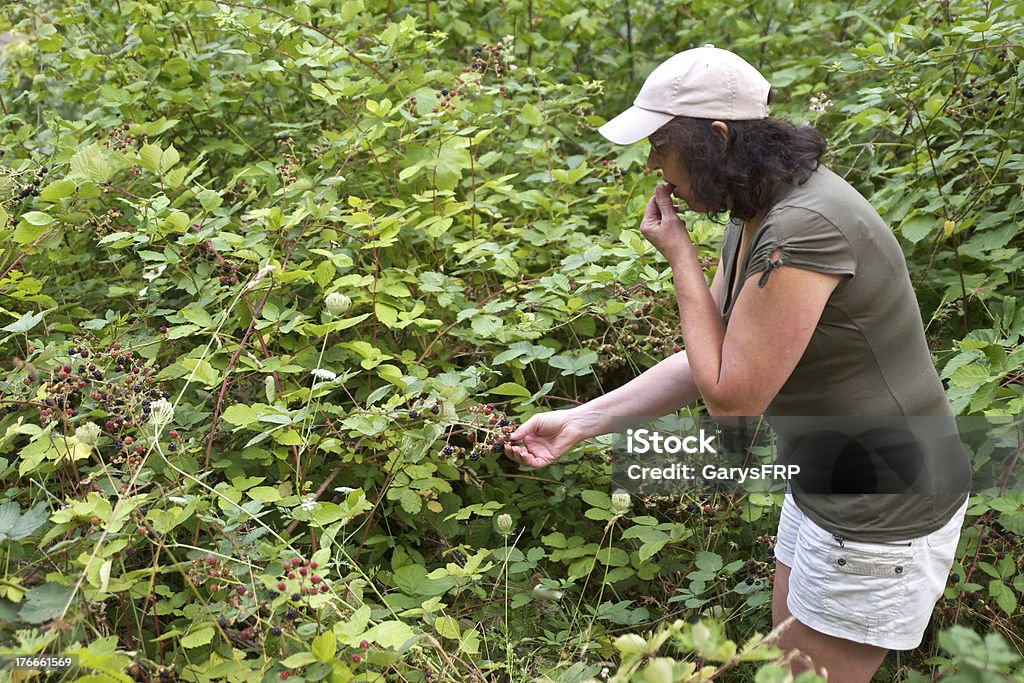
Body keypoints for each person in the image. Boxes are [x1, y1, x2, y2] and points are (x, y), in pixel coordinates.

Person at [504, 45, 970, 682]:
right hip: (829, 478)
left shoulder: (803, 227)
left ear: (717, 138)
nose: (654, 169)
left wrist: (680, 262)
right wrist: (582, 421)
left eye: (661, 148)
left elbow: (731, 400)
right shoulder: (755, 209)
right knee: (784, 667)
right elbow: (707, 358)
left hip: (885, 504)